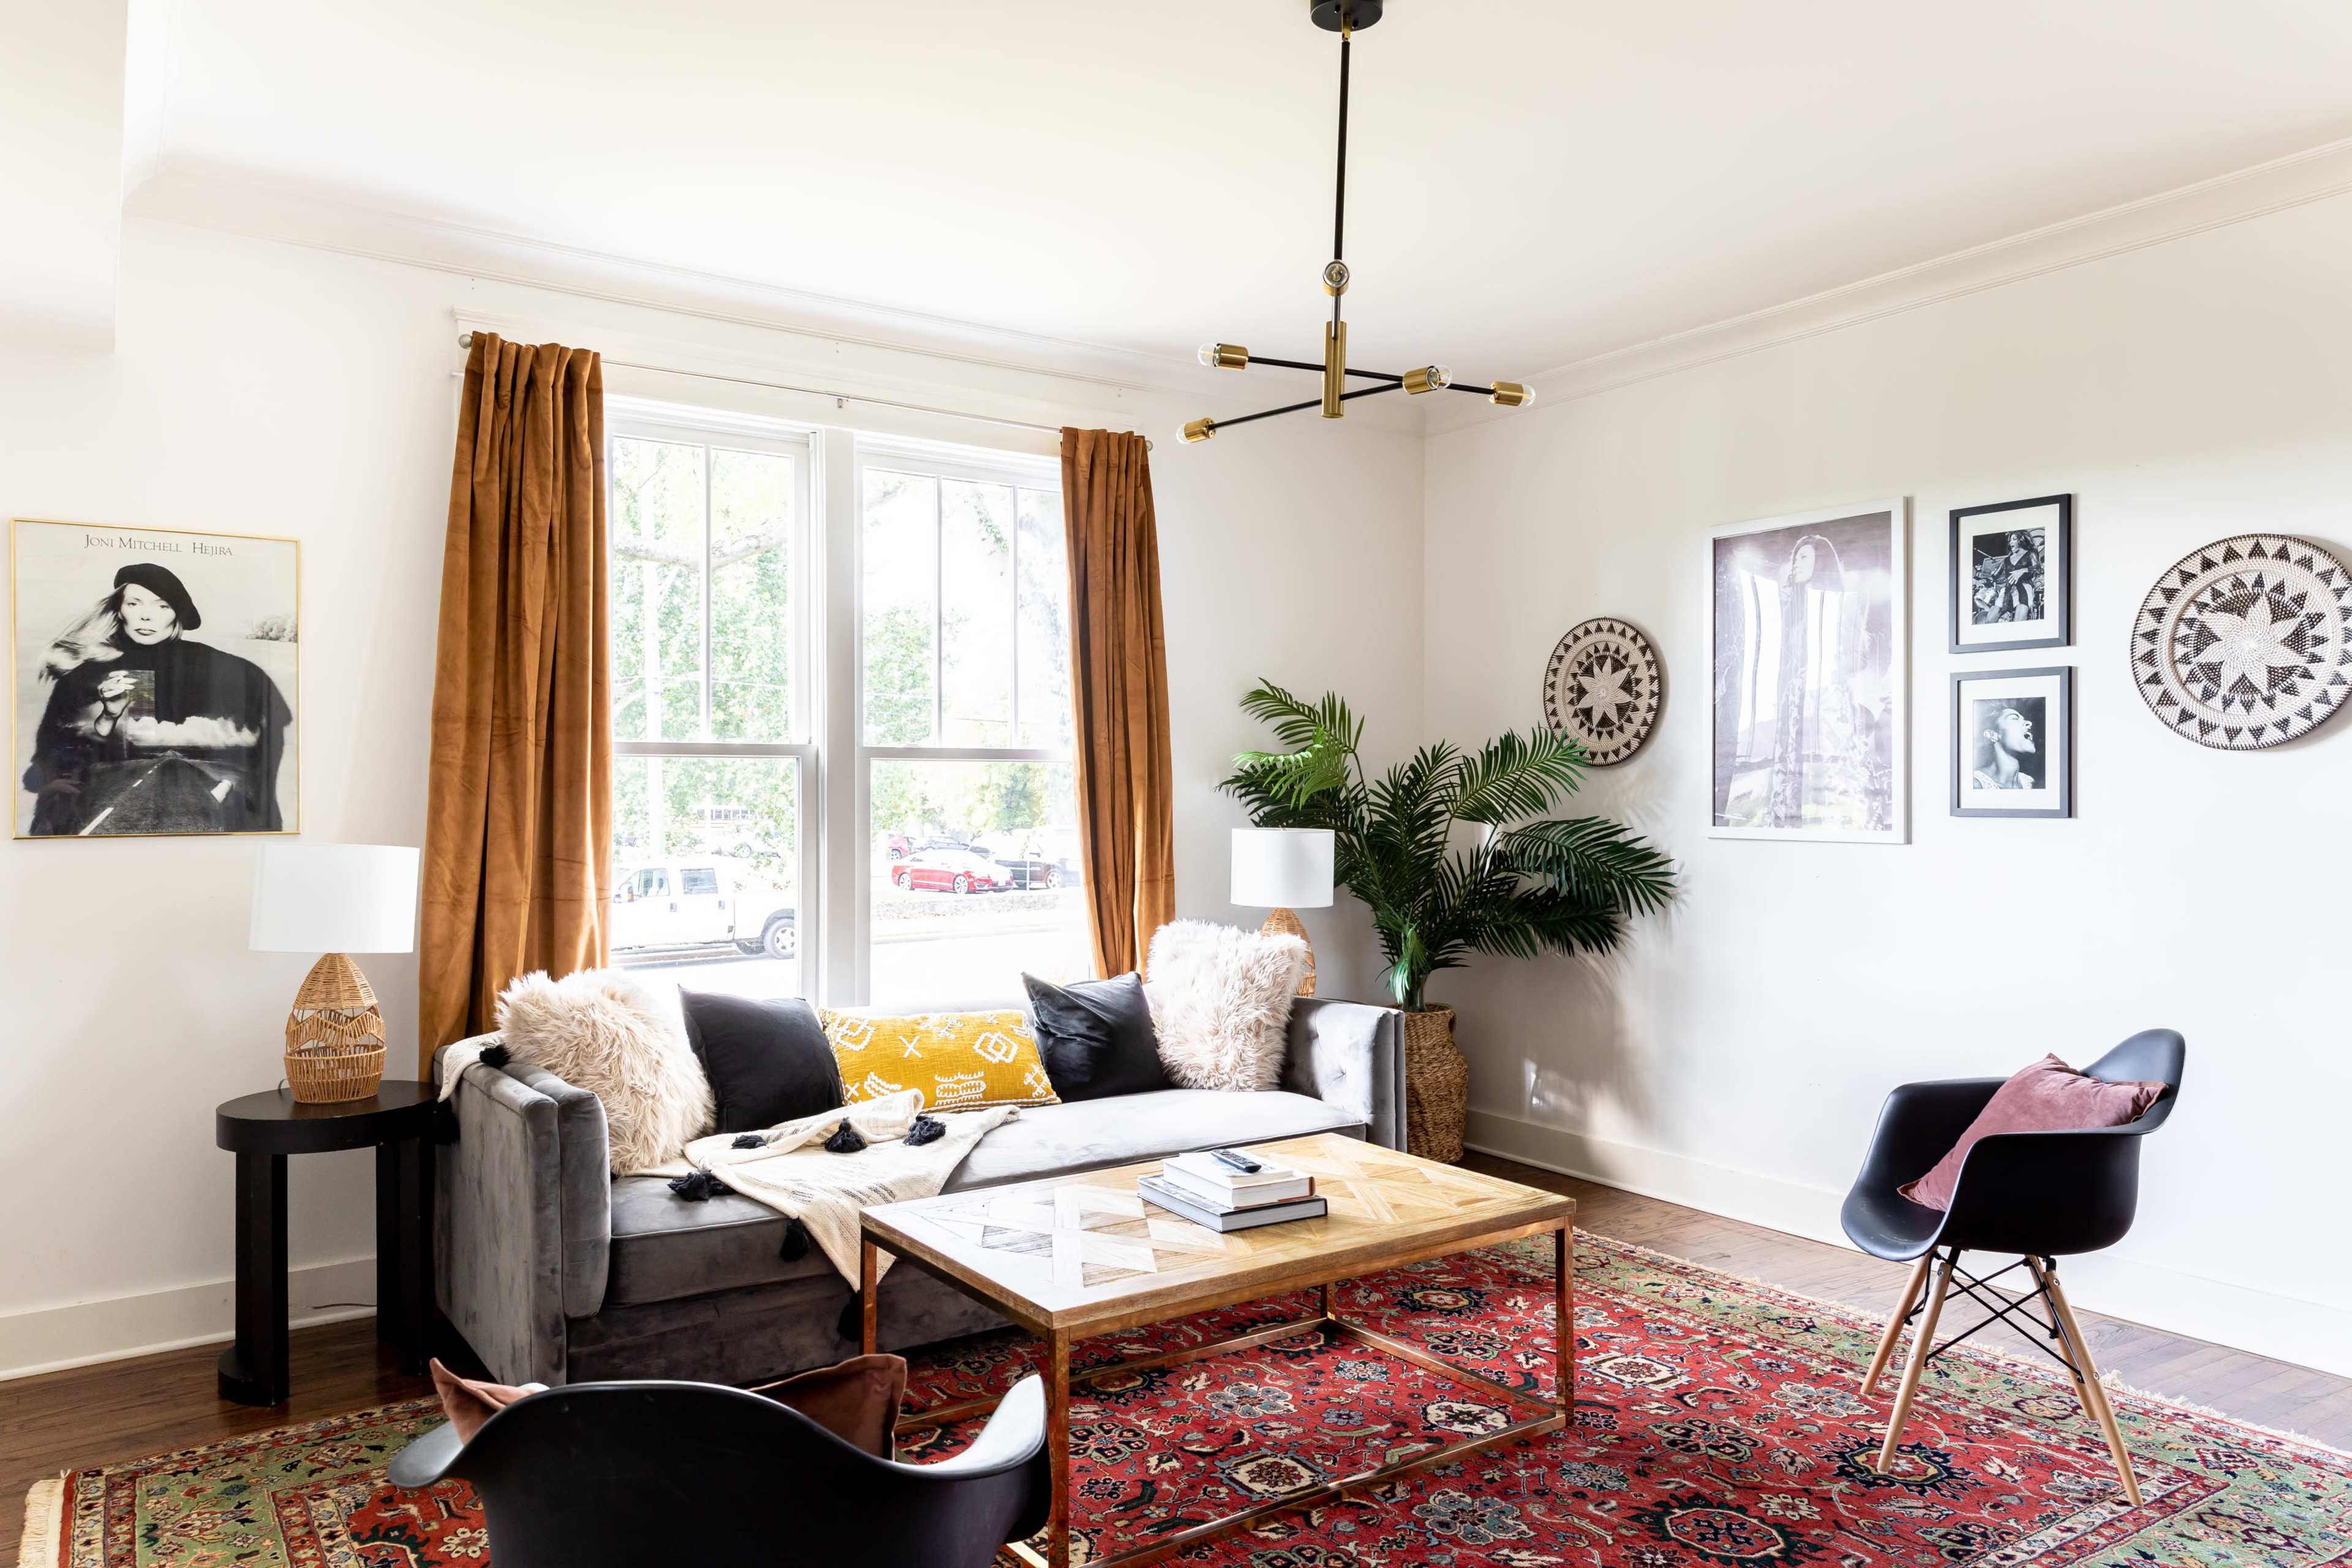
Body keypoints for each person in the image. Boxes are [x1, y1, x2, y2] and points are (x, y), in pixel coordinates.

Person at [22, 562, 293, 835]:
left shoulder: (235, 671)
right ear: (119, 609)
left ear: (177, 615)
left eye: (162, 606)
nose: (146, 617)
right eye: (134, 604)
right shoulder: (85, 675)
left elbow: (263, 763)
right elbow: (52, 760)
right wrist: (106, 719)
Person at [1971, 704, 2039, 791]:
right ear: (1992, 735)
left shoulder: (2028, 782)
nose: (2029, 723)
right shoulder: (1975, 784)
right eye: (2015, 718)